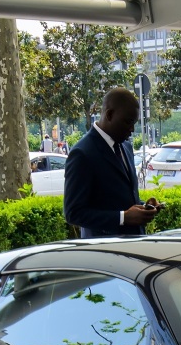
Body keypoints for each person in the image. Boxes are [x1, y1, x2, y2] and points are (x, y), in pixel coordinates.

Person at [64, 87, 160, 238]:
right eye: (128, 122)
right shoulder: (82, 153)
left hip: (135, 246)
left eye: (134, 122)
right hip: (104, 252)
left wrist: (144, 207)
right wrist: (123, 218)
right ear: (109, 114)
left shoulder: (126, 147)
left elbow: (121, 201)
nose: (132, 129)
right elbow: (73, 213)